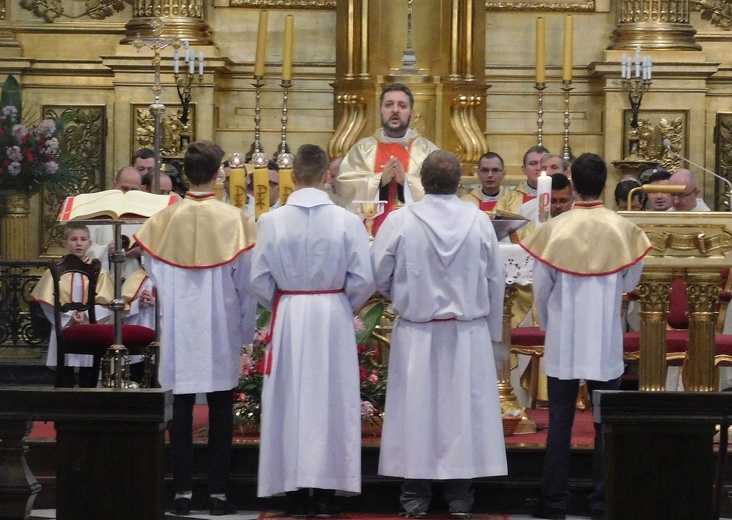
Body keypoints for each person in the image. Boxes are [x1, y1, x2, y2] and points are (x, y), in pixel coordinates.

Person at [371, 150, 507, 518]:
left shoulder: (401, 221)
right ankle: (460, 499)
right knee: (462, 414)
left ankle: (414, 499)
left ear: (423, 181)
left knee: (417, 414)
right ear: (459, 182)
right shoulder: (478, 222)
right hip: (466, 333)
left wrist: (399, 295)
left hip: (418, 332)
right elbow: (496, 279)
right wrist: (492, 332)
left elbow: (379, 273)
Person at [520, 153, 651, 520]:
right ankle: (602, 502)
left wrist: (550, 325)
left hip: (564, 335)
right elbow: (629, 282)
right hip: (605, 338)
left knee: (559, 420)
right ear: (606, 185)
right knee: (603, 424)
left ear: (572, 186)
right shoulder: (622, 229)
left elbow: (541, 289)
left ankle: (553, 503)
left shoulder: (555, 229)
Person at [135, 140, 258, 516]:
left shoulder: (160, 222)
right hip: (219, 325)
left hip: (177, 326)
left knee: (182, 409)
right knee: (221, 408)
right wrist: (245, 335)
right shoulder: (236, 221)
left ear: (185, 174)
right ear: (219, 173)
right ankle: (219, 494)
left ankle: (182, 493)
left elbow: (153, 272)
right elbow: (246, 285)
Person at [251, 144, 375, 515]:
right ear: (326, 175)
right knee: (331, 399)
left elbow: (258, 280)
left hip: (290, 311)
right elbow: (363, 279)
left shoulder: (271, 221)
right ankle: (326, 492)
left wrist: (285, 299)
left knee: (289, 398)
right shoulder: (347, 221)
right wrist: (341, 303)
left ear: (292, 176)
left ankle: (291, 491)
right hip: (332, 312)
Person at [337, 83, 439, 234]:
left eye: (402, 106)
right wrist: (379, 181)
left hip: (416, 235)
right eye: (389, 105)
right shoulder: (363, 149)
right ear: (380, 111)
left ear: (411, 113)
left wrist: (406, 182)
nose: (395, 110)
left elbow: (440, 194)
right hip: (370, 234)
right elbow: (345, 187)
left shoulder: (427, 151)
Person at [31, 222, 114, 387]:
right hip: (65, 327)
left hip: (89, 326)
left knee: (88, 370)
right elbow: (46, 301)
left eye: (83, 239)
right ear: (65, 243)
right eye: (73, 239)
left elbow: (106, 303)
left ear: (90, 244)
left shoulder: (99, 272)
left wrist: (86, 314)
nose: (78, 243)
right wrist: (68, 316)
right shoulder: (55, 271)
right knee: (65, 370)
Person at [86, 166, 145, 282]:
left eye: (134, 190)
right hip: (103, 282)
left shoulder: (146, 215)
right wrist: (106, 250)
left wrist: (141, 253)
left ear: (142, 190)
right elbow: (84, 249)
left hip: (134, 281)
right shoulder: (97, 212)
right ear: (114, 185)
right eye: (124, 188)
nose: (128, 194)